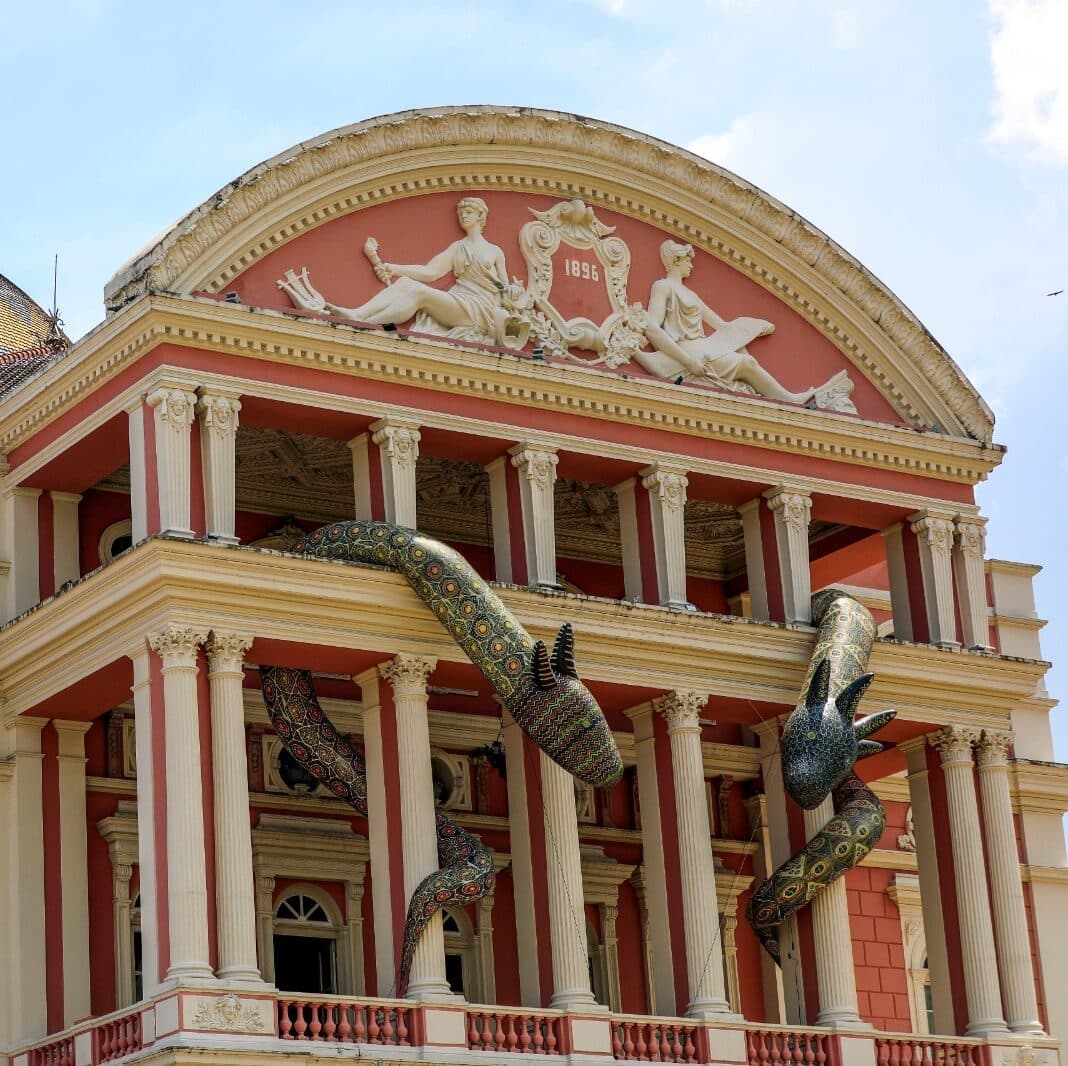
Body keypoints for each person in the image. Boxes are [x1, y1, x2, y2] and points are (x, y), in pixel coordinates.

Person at [277, 197, 527, 348]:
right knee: (409, 282)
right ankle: (358, 314)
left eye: (469, 213)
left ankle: (362, 319)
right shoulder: (457, 247)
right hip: (460, 300)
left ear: (481, 216)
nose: (463, 216)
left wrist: (513, 291)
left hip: (479, 311)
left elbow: (505, 291)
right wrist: (394, 268)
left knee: (417, 292)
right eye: (461, 213)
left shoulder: (494, 251)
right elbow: (430, 272)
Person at [638, 239, 818, 404]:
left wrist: (752, 328)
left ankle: (787, 398)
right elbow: (653, 329)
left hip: (704, 347)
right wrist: (688, 362)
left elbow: (722, 326)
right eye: (688, 261)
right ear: (677, 261)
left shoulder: (692, 295)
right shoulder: (662, 287)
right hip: (690, 350)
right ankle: (789, 400)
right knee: (747, 364)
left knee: (747, 360)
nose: (691, 266)